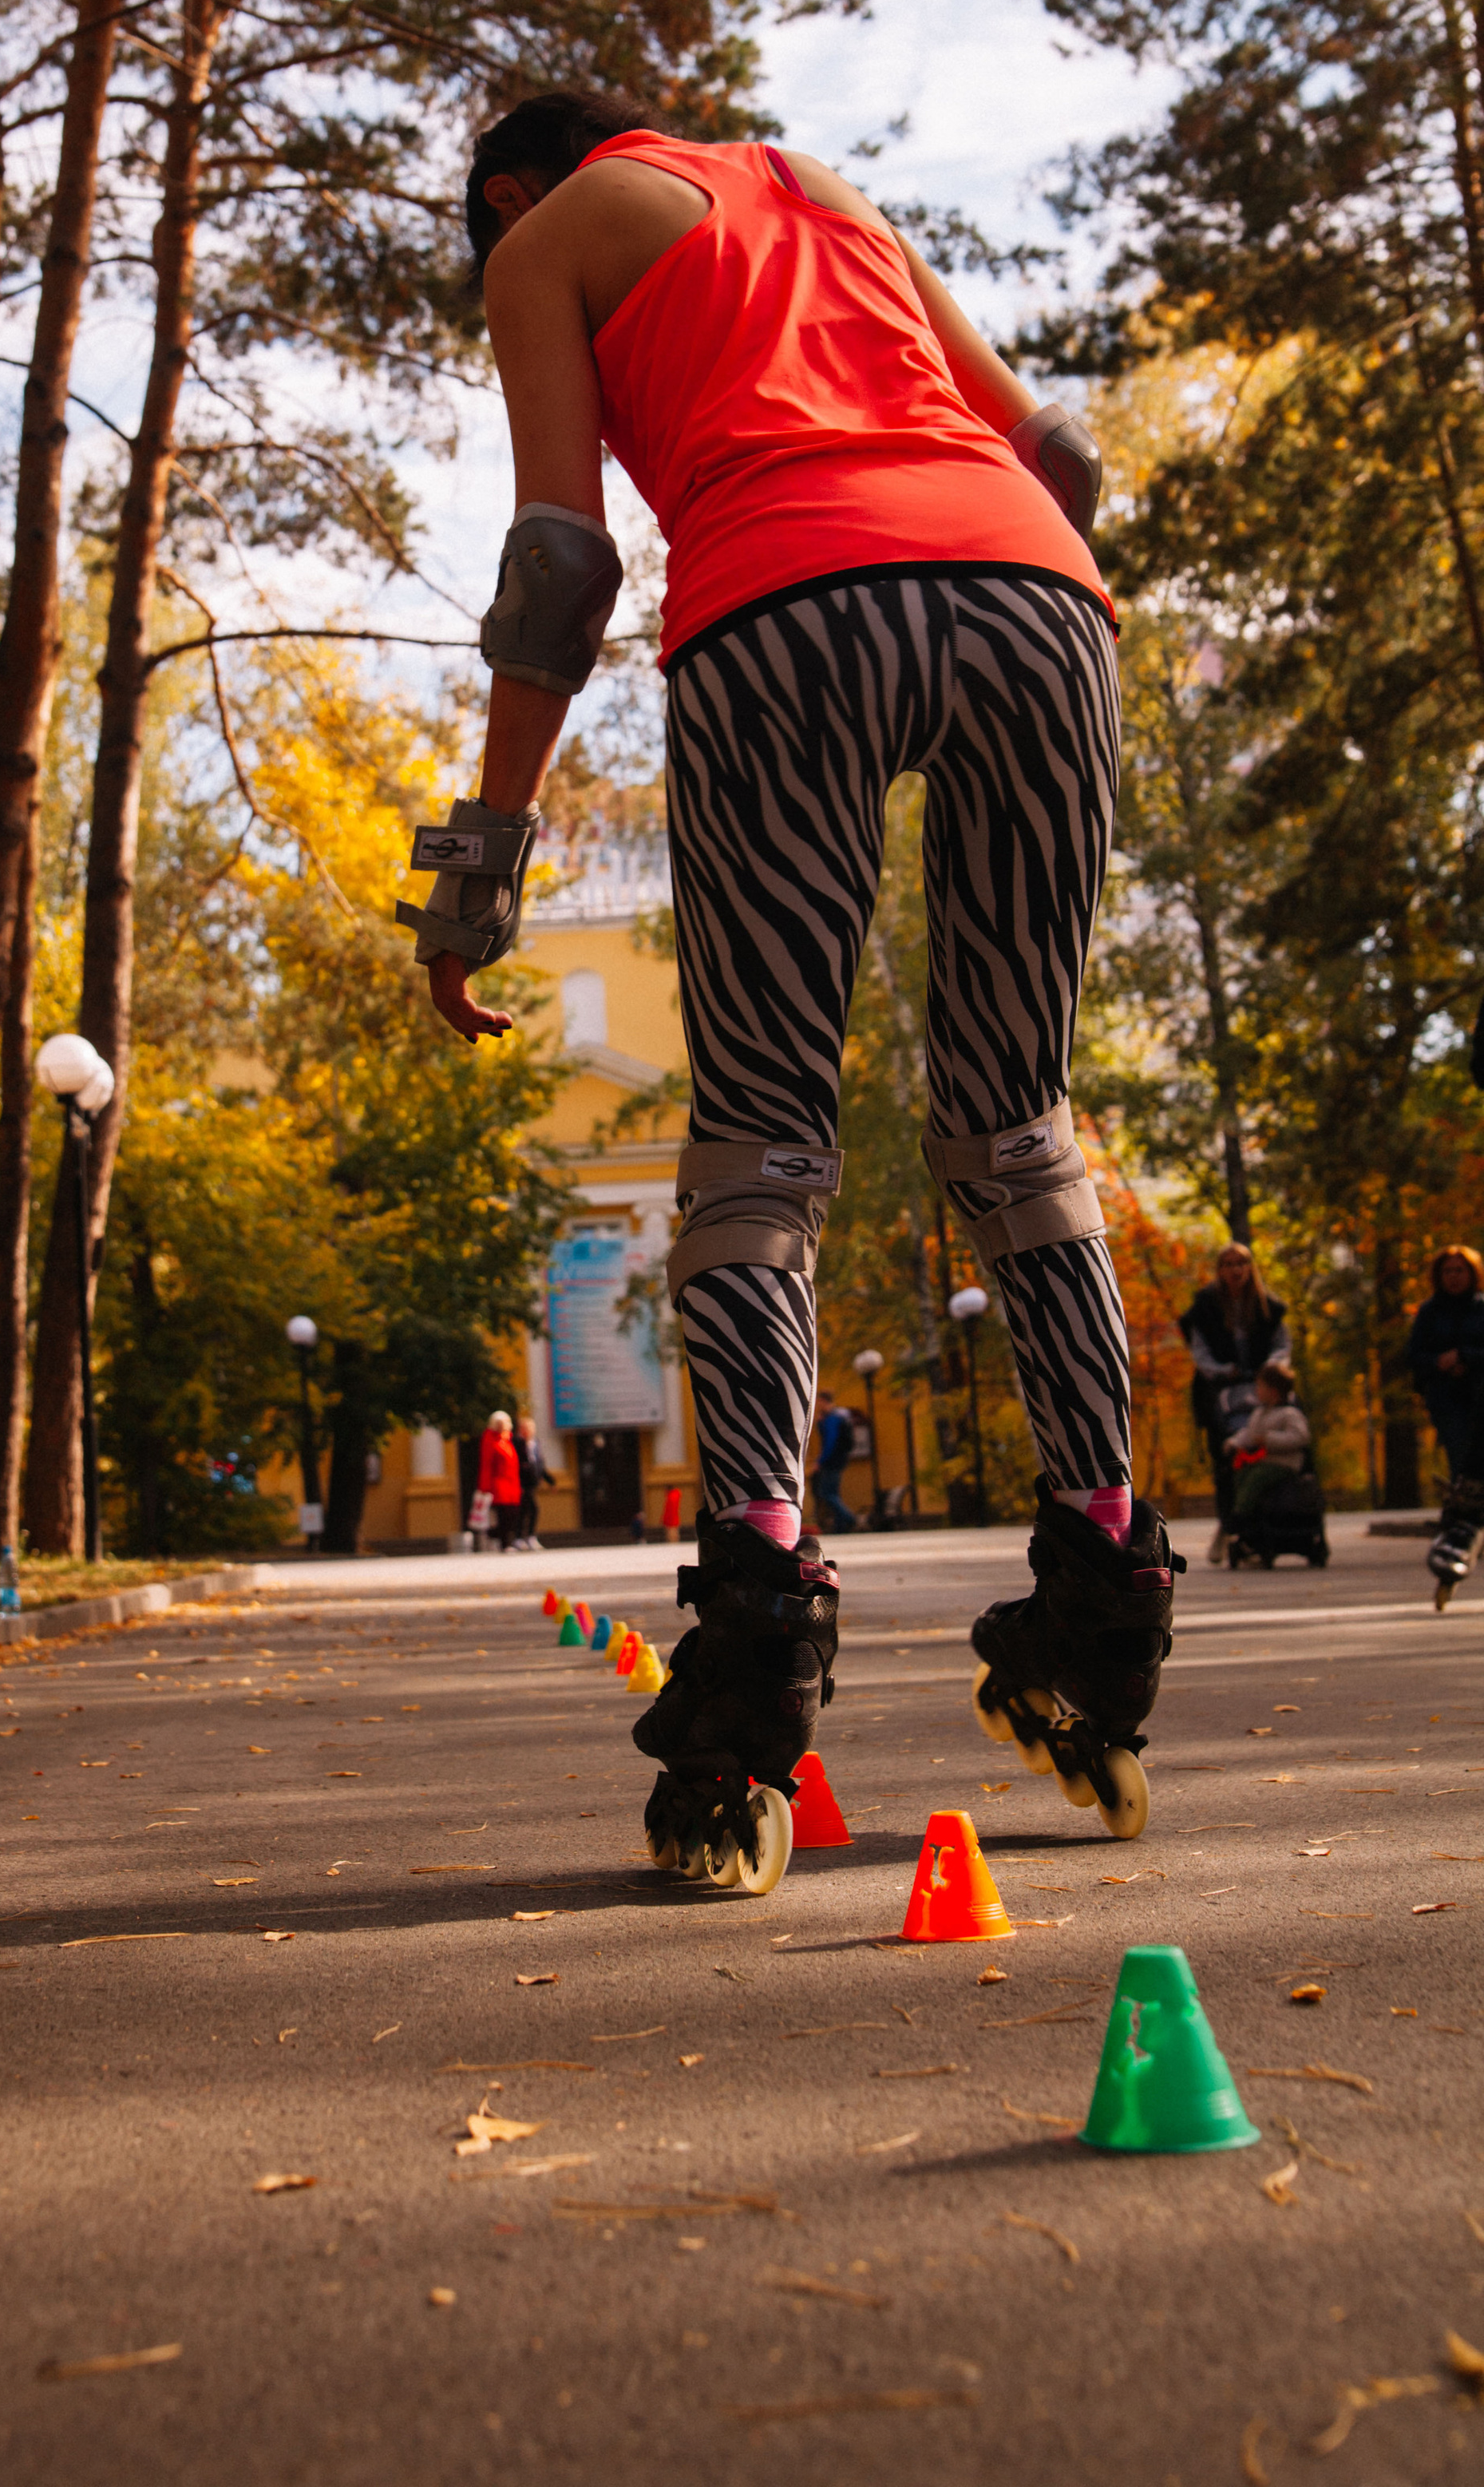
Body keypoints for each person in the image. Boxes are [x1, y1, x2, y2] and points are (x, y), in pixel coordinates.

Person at [397, 89, 1178, 1874]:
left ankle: (748, 1687)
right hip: (1038, 603)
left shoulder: (545, 235)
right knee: (1016, 1120)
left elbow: (560, 559)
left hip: (782, 604)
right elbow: (1053, 451)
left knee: (758, 1143)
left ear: (510, 190)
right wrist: (1039, 604)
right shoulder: (819, 186)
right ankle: (1100, 1620)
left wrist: (479, 869)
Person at [1179, 1244, 1288, 1563]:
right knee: (1226, 1461)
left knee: (1265, 1458)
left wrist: (1270, 1373)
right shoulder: (1206, 1307)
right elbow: (1200, 1353)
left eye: (1241, 1263)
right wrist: (1223, 1372)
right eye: (1228, 1264)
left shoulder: (1269, 1307)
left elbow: (1282, 1347)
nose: (1235, 1270)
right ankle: (1228, 1526)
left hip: (1265, 1394)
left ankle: (1261, 1529)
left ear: (1250, 1267)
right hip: (1221, 1395)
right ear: (1219, 1269)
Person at [1410, 1248, 1484, 1603]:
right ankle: (1460, 1535)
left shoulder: (1482, 1308)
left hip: (1479, 1394)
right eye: (1448, 1271)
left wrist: (1466, 1358)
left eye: (1460, 1270)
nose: (1454, 1276)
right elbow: (1415, 1357)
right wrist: (1438, 1365)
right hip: (1448, 1400)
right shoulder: (1429, 1312)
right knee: (1466, 1472)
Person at [1227, 1364, 1312, 1525]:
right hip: (1265, 1462)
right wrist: (1233, 1443)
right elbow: (1249, 1434)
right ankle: (1252, 1515)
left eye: (1260, 1387)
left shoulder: (1289, 1414)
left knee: (1256, 1478)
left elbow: (1300, 1437)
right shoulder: (1260, 1413)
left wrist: (1269, 1440)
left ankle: (1241, 1515)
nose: (1256, 1390)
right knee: (1242, 1474)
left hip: (1285, 1463)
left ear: (1273, 1391)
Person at [473, 1408, 524, 1551]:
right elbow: (487, 1464)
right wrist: (484, 1487)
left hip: (512, 1484)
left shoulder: (507, 1441)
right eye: (499, 1423)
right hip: (499, 1485)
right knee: (503, 1515)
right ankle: (504, 1543)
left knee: (513, 1514)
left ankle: (506, 1539)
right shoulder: (490, 1440)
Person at [812, 1402, 861, 1535]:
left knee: (827, 1493)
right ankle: (840, 1526)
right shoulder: (839, 1417)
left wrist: (820, 1461)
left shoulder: (832, 1419)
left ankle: (850, 1518)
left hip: (831, 1462)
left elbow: (830, 1442)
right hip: (840, 1460)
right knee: (833, 1492)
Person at [514, 1412, 553, 1546]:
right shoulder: (517, 1443)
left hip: (532, 1483)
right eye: (524, 1428)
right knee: (529, 1509)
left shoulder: (535, 1443)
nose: (527, 1431)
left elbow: (540, 1464)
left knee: (528, 1510)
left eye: (529, 1428)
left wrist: (550, 1481)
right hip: (521, 1483)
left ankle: (527, 1537)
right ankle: (522, 1537)